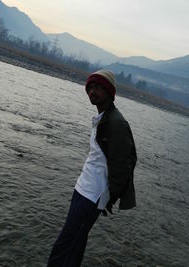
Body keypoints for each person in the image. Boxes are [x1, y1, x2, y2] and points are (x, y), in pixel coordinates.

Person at [47, 70, 137, 267]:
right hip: (82, 188)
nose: (92, 92)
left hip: (93, 195)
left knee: (66, 243)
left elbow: (125, 164)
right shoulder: (103, 118)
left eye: (98, 87)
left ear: (109, 92)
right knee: (76, 241)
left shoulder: (117, 123)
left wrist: (110, 197)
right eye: (89, 88)